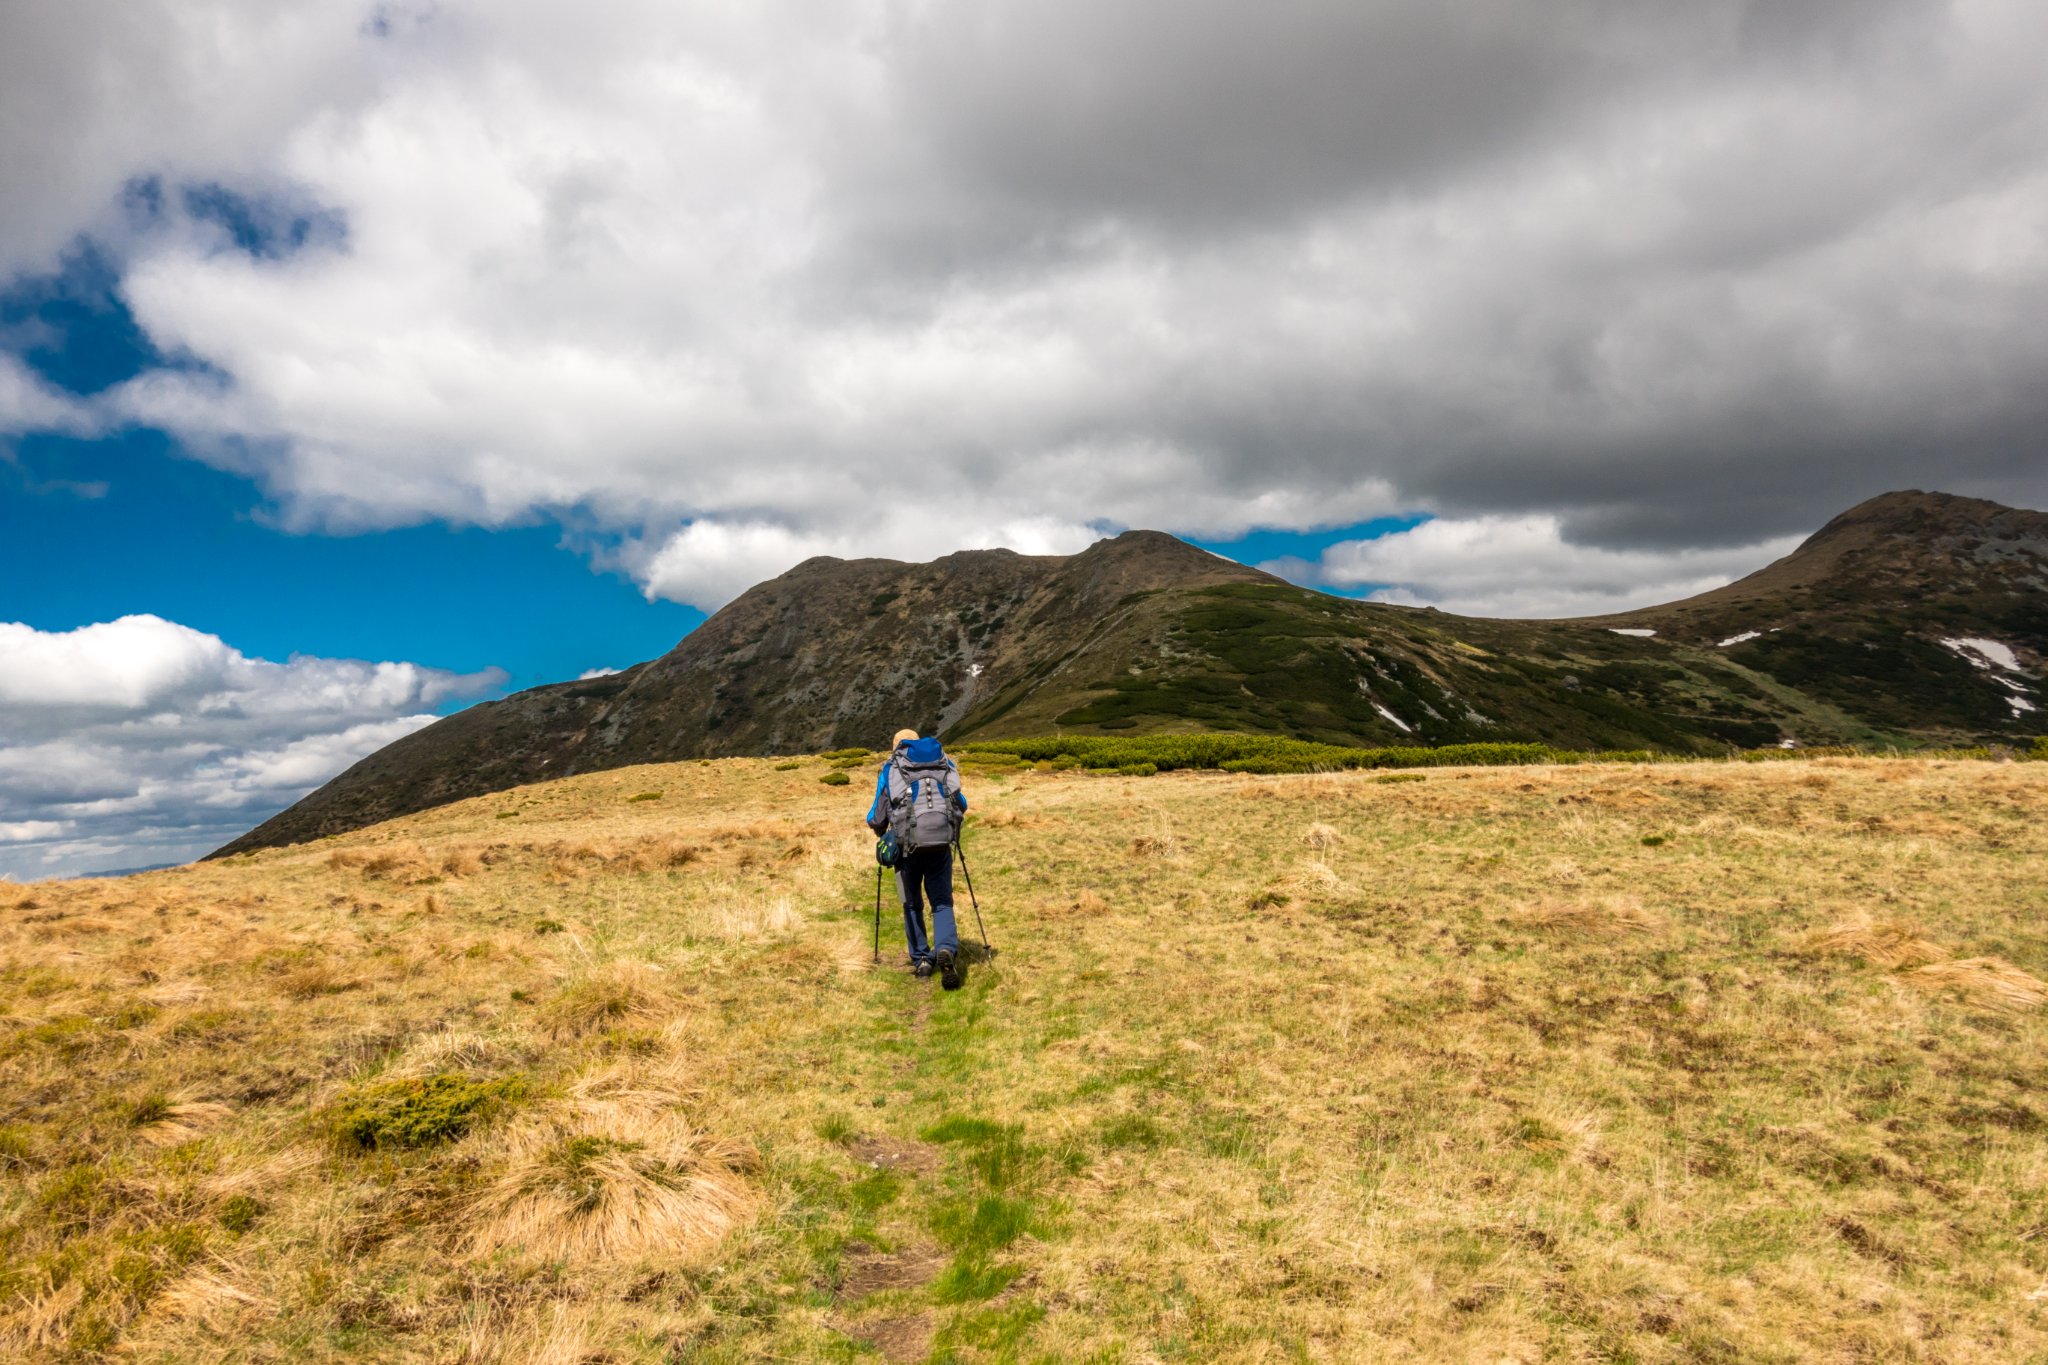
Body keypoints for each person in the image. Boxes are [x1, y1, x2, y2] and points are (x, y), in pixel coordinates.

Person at [866, 727, 970, 989]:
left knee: (912, 904)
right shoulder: (943, 762)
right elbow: (962, 803)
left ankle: (922, 959)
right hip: (940, 845)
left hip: (906, 849)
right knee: (942, 902)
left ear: (897, 747)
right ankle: (945, 948)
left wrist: (882, 831)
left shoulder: (892, 768)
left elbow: (876, 816)